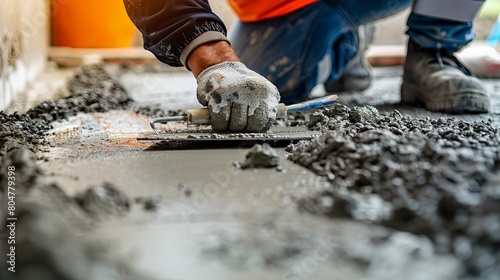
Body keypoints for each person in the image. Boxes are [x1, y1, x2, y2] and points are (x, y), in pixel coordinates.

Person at [123, 0, 491, 132]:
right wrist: (213, 58)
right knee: (268, 91)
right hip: (282, 6)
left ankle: (434, 50)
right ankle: (343, 45)